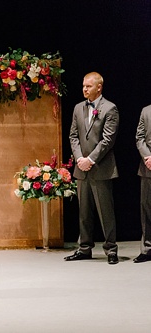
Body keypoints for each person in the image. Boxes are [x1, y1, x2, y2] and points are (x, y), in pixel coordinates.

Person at [65, 72, 119, 265]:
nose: (84, 89)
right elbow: (73, 136)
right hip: (82, 168)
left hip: (101, 168)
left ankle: (111, 249)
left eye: (88, 86)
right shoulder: (78, 108)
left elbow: (108, 140)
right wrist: (80, 158)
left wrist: (91, 159)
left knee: (105, 211)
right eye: (83, 86)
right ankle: (84, 248)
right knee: (84, 212)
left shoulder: (110, 108)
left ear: (99, 87)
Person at [134, 104, 151, 263]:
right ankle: (147, 249)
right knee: (146, 209)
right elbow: (139, 137)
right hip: (148, 167)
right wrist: (147, 157)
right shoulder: (145, 110)